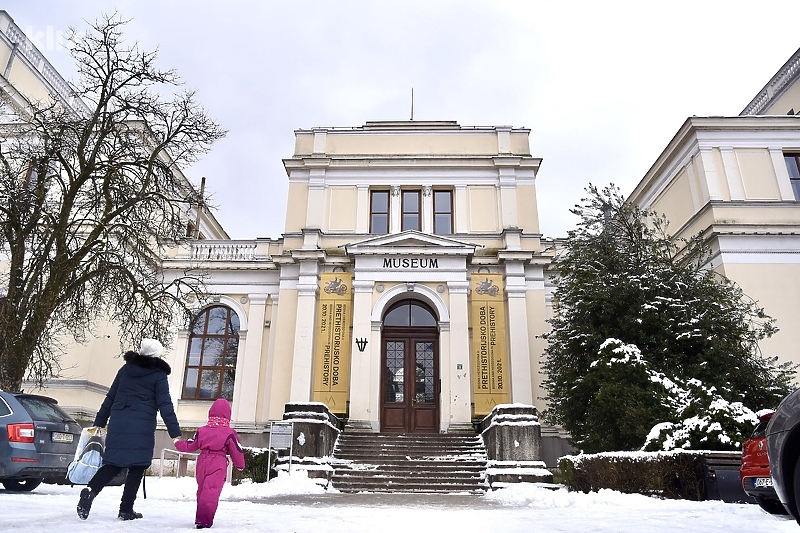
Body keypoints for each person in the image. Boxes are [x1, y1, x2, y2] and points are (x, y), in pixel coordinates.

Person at [77, 338, 182, 521]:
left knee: (112, 464)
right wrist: (175, 433)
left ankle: (90, 490)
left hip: (118, 422)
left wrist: (100, 422)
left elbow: (110, 397)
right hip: (141, 426)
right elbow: (165, 405)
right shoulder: (158, 375)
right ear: (157, 355)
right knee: (138, 466)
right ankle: (125, 510)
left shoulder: (125, 370)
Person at [175, 398, 245, 529]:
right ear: (228, 415)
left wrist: (177, 443)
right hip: (218, 462)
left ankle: (200, 517)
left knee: (202, 490)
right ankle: (204, 520)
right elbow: (237, 450)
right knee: (211, 491)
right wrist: (240, 464)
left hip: (202, 461)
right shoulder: (230, 433)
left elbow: (191, 444)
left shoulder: (202, 430)